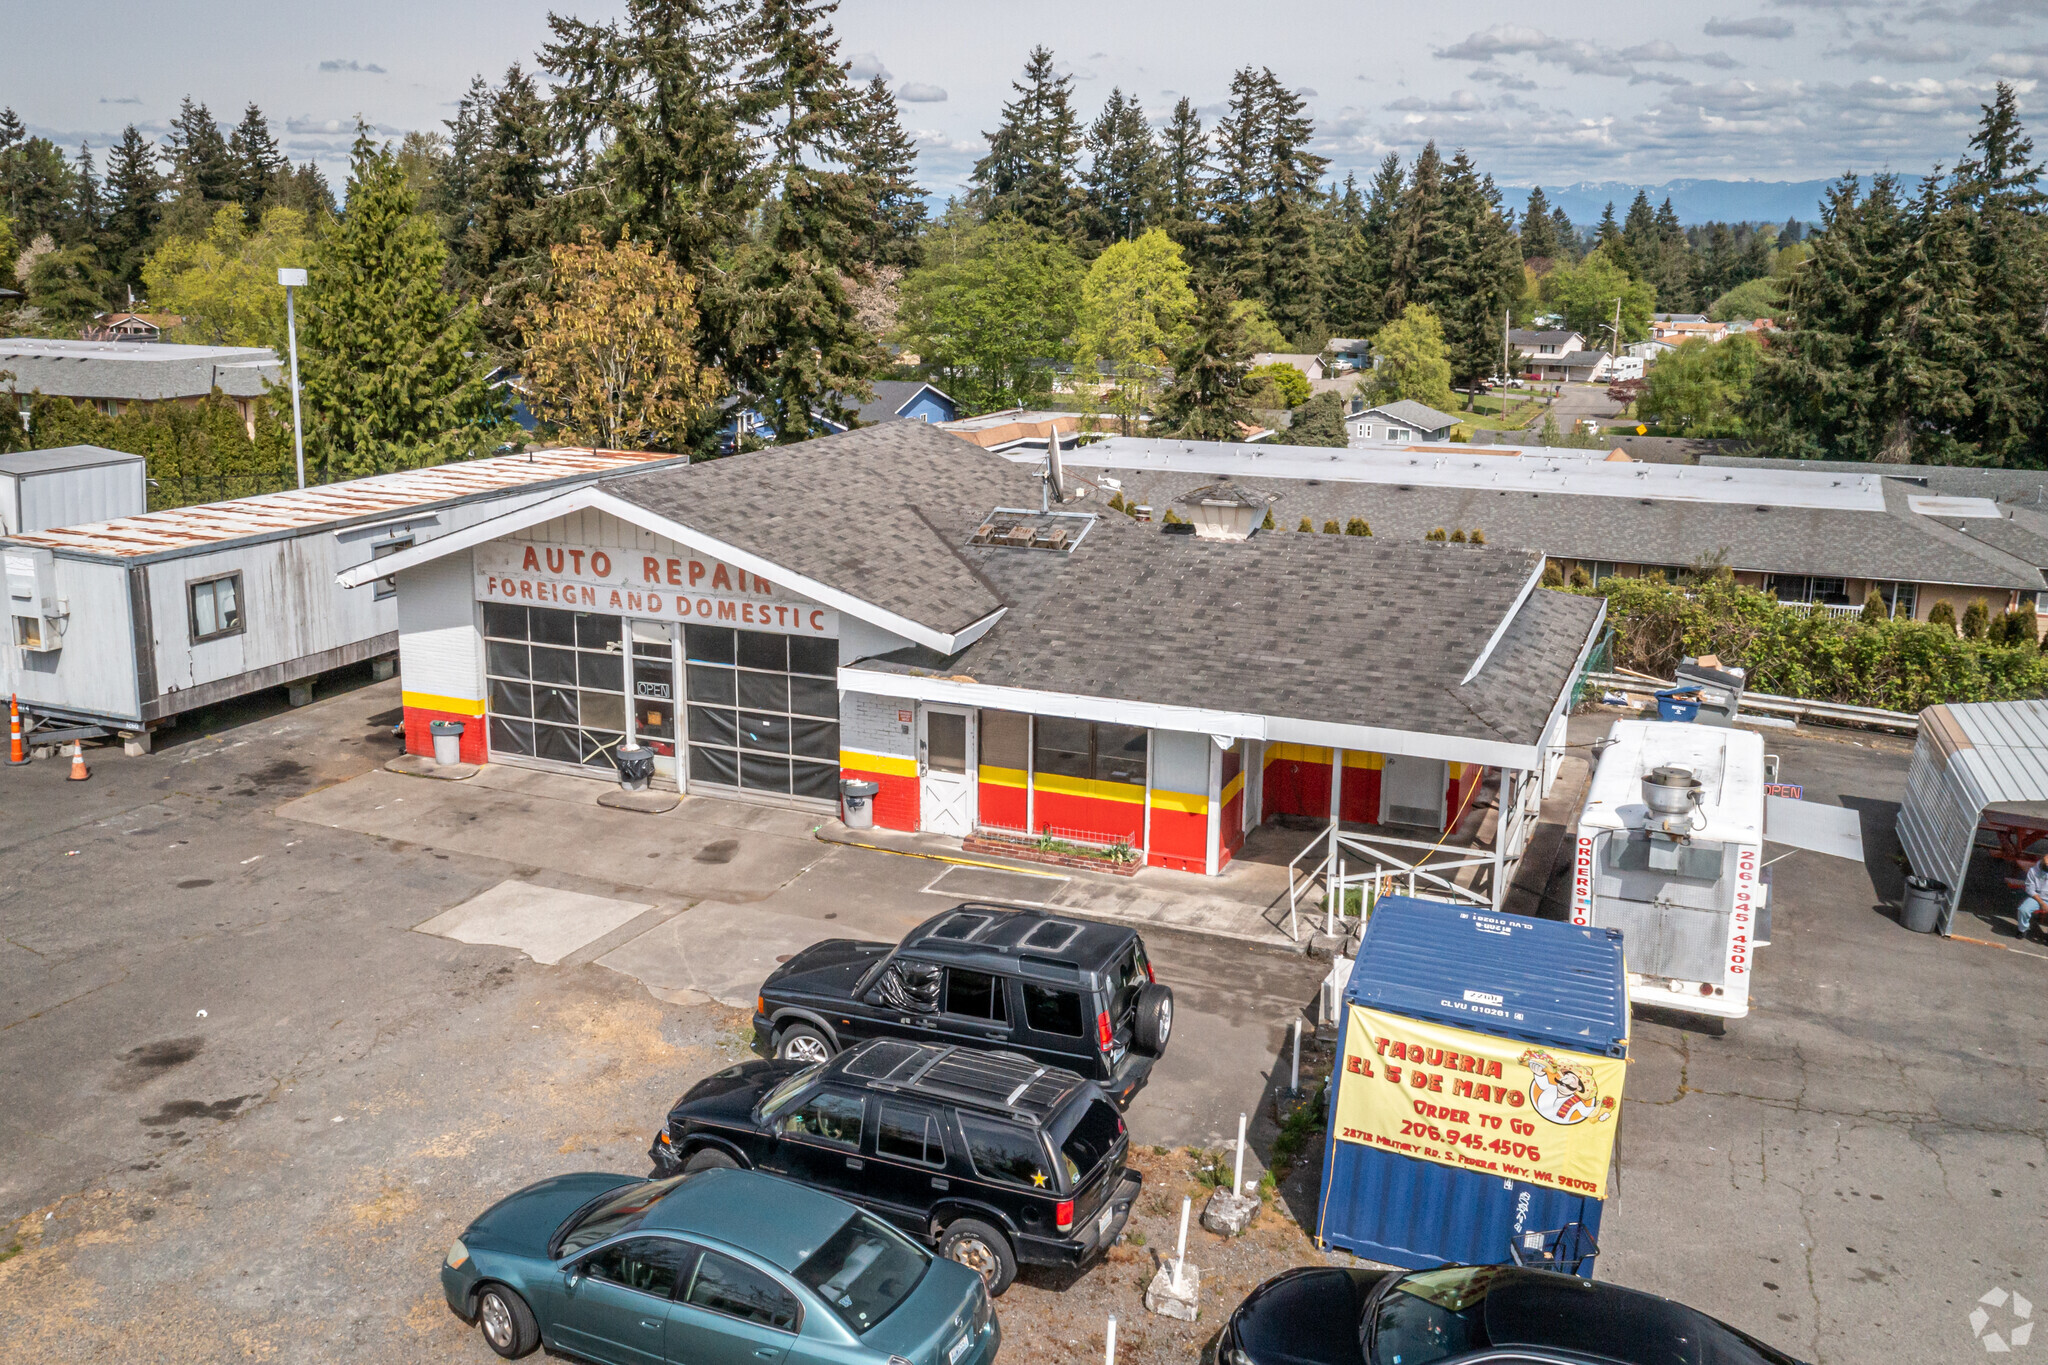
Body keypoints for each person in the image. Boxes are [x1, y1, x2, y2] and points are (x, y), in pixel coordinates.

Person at [2019, 855, 2048, 939]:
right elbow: (2030, 889)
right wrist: (2041, 903)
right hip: (2037, 897)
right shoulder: (2033, 871)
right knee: (2023, 909)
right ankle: (2022, 929)